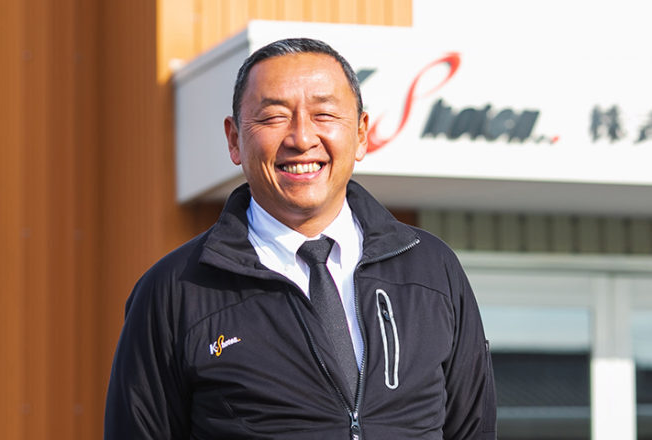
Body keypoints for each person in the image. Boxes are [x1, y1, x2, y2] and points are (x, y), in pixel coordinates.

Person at [106, 37, 497, 439]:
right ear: (234, 139)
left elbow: (473, 428)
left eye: (324, 114)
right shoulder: (175, 291)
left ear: (362, 133)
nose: (302, 138)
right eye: (273, 117)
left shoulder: (431, 269)